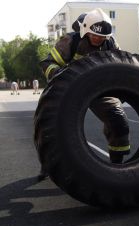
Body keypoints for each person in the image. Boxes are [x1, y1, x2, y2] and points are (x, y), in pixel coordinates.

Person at [38, 8, 130, 181]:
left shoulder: (110, 43)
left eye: (103, 37)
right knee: (49, 126)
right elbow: (47, 63)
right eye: (95, 35)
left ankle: (117, 165)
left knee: (118, 121)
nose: (98, 39)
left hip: (98, 90)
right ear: (85, 30)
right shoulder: (71, 41)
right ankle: (47, 165)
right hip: (68, 90)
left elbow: (120, 67)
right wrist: (60, 76)